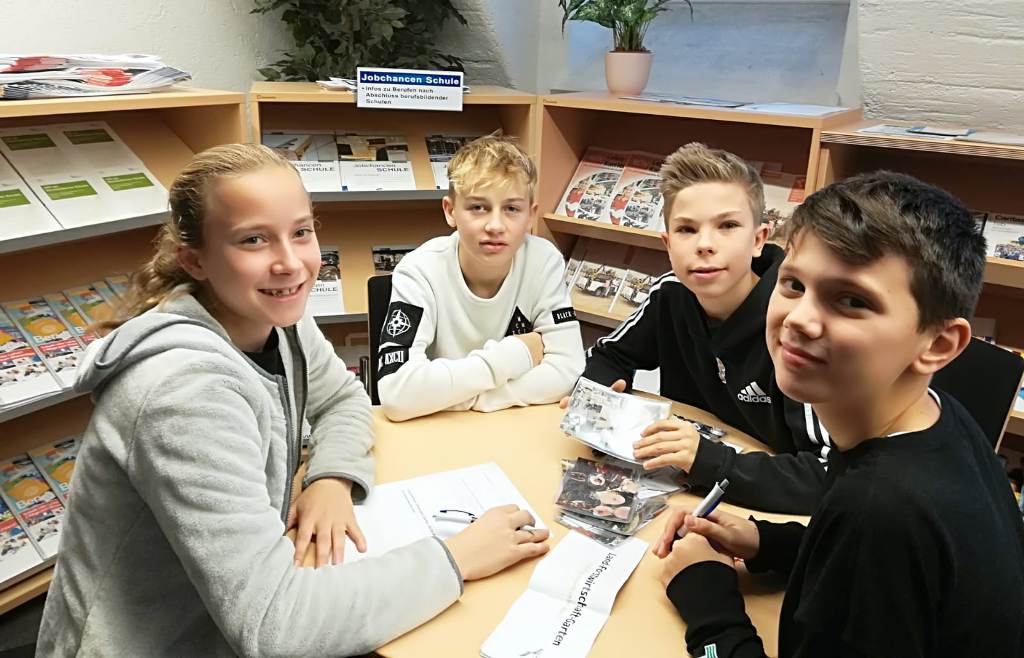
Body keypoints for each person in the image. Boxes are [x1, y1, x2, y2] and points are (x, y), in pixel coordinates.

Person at [38, 144, 550, 657]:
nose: (290, 263)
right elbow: (276, 625)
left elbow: (344, 398)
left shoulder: (277, 319)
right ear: (194, 260)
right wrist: (455, 559)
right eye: (254, 239)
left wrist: (331, 476)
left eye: (301, 232)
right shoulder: (184, 394)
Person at [657, 171, 1024, 657]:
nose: (798, 319)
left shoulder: (878, 511)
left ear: (937, 345)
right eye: (793, 284)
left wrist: (705, 595)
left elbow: (875, 540)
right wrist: (767, 541)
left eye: (852, 301)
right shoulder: (938, 416)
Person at [579, 143, 829, 514]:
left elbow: (828, 474)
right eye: (686, 229)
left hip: (763, 512)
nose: (705, 245)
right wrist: (598, 394)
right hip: (687, 494)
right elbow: (609, 356)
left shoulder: (794, 320)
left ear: (759, 239)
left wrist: (708, 460)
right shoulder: (670, 294)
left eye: (727, 226)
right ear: (667, 244)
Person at [377, 135, 585, 421]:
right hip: (440, 430)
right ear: (450, 211)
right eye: (478, 207)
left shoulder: (544, 261)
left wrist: (478, 399)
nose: (495, 226)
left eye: (511, 209)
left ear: (530, 215)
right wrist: (517, 353)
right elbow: (397, 394)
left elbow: (568, 371)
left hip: (507, 425)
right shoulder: (419, 270)